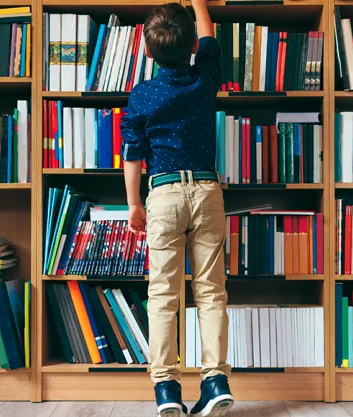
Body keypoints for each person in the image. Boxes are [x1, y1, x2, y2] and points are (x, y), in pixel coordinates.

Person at [120, 1, 233, 416]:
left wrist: (133, 204)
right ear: (191, 49)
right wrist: (199, 3)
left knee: (163, 295)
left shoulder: (142, 95)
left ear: (148, 51)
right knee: (211, 293)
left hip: (163, 195)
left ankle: (166, 389)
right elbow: (210, 40)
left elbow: (133, 154)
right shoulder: (204, 78)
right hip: (207, 192)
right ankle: (215, 380)